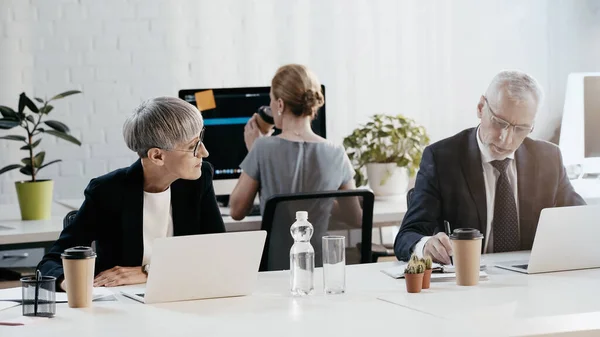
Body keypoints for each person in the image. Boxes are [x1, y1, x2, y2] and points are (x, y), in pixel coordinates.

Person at [394, 70, 586, 264]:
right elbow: (407, 235)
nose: (506, 139)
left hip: (531, 279)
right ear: (480, 107)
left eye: (520, 129)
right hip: (468, 282)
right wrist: (426, 244)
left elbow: (582, 220)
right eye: (499, 122)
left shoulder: (548, 158)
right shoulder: (442, 158)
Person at [39, 97, 225, 290]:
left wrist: (147, 271)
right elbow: (50, 263)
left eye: (200, 140)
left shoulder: (199, 180)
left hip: (184, 295)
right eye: (192, 146)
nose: (204, 152)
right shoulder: (107, 191)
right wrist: (74, 283)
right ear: (157, 156)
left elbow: (218, 253)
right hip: (123, 305)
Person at [228, 64, 358, 270]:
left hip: (275, 269)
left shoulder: (262, 147)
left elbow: (236, 210)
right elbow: (355, 217)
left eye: (271, 100)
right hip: (320, 268)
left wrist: (255, 151)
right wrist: (322, 199)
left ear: (279, 105)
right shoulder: (336, 152)